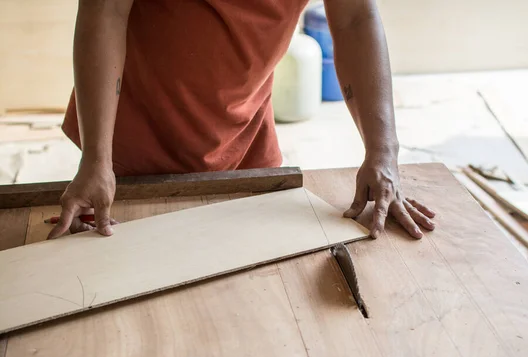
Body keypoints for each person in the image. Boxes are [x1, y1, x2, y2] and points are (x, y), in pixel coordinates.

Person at [48, 0, 436, 240]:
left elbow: (355, 18)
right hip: (131, 144)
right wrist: (96, 160)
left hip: (243, 140)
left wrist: (383, 150)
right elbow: (105, 9)